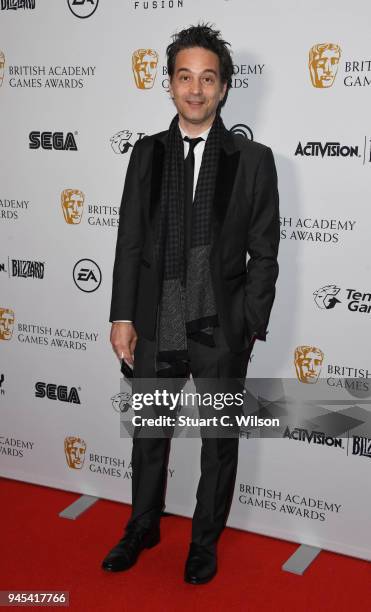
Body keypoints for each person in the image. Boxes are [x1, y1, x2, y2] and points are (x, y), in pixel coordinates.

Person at [102, 23, 280, 585]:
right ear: (171, 84)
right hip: (156, 322)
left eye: (208, 79)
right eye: (185, 77)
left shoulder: (253, 160)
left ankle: (204, 542)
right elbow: (129, 239)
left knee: (217, 446)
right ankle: (142, 526)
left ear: (224, 87)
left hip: (220, 331)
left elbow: (265, 253)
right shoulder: (146, 154)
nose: (196, 90)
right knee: (149, 437)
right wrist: (123, 316)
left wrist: (247, 326)